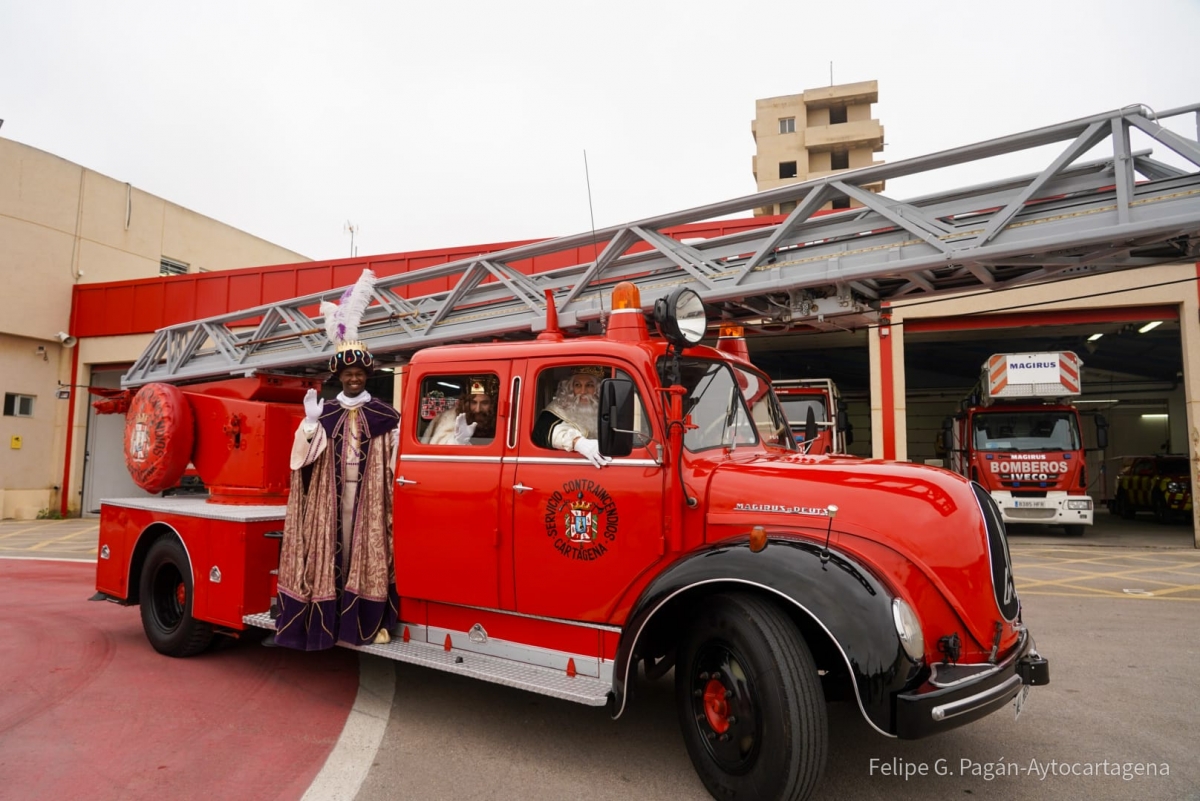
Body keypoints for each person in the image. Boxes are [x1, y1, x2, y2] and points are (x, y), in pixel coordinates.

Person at [275, 270, 400, 651]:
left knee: (363, 556)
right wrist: (311, 426)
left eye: (359, 373)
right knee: (330, 557)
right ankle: (322, 626)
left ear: (367, 376)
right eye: (348, 374)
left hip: (367, 504)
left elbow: (399, 457)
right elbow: (302, 460)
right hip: (329, 504)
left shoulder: (384, 414)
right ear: (339, 377)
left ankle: (363, 623)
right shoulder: (324, 413)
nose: (354, 379)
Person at [532, 365, 612, 469]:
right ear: (571, 388)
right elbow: (543, 431)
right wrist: (578, 442)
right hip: (564, 469)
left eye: (589, 385)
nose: (583, 391)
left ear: (597, 388)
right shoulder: (557, 407)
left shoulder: (606, 409)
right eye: (578, 385)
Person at [421, 375, 498, 445]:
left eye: (484, 403)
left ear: (492, 404)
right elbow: (438, 447)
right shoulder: (448, 420)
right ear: (466, 403)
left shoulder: (501, 420)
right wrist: (458, 441)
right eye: (473, 403)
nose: (478, 409)